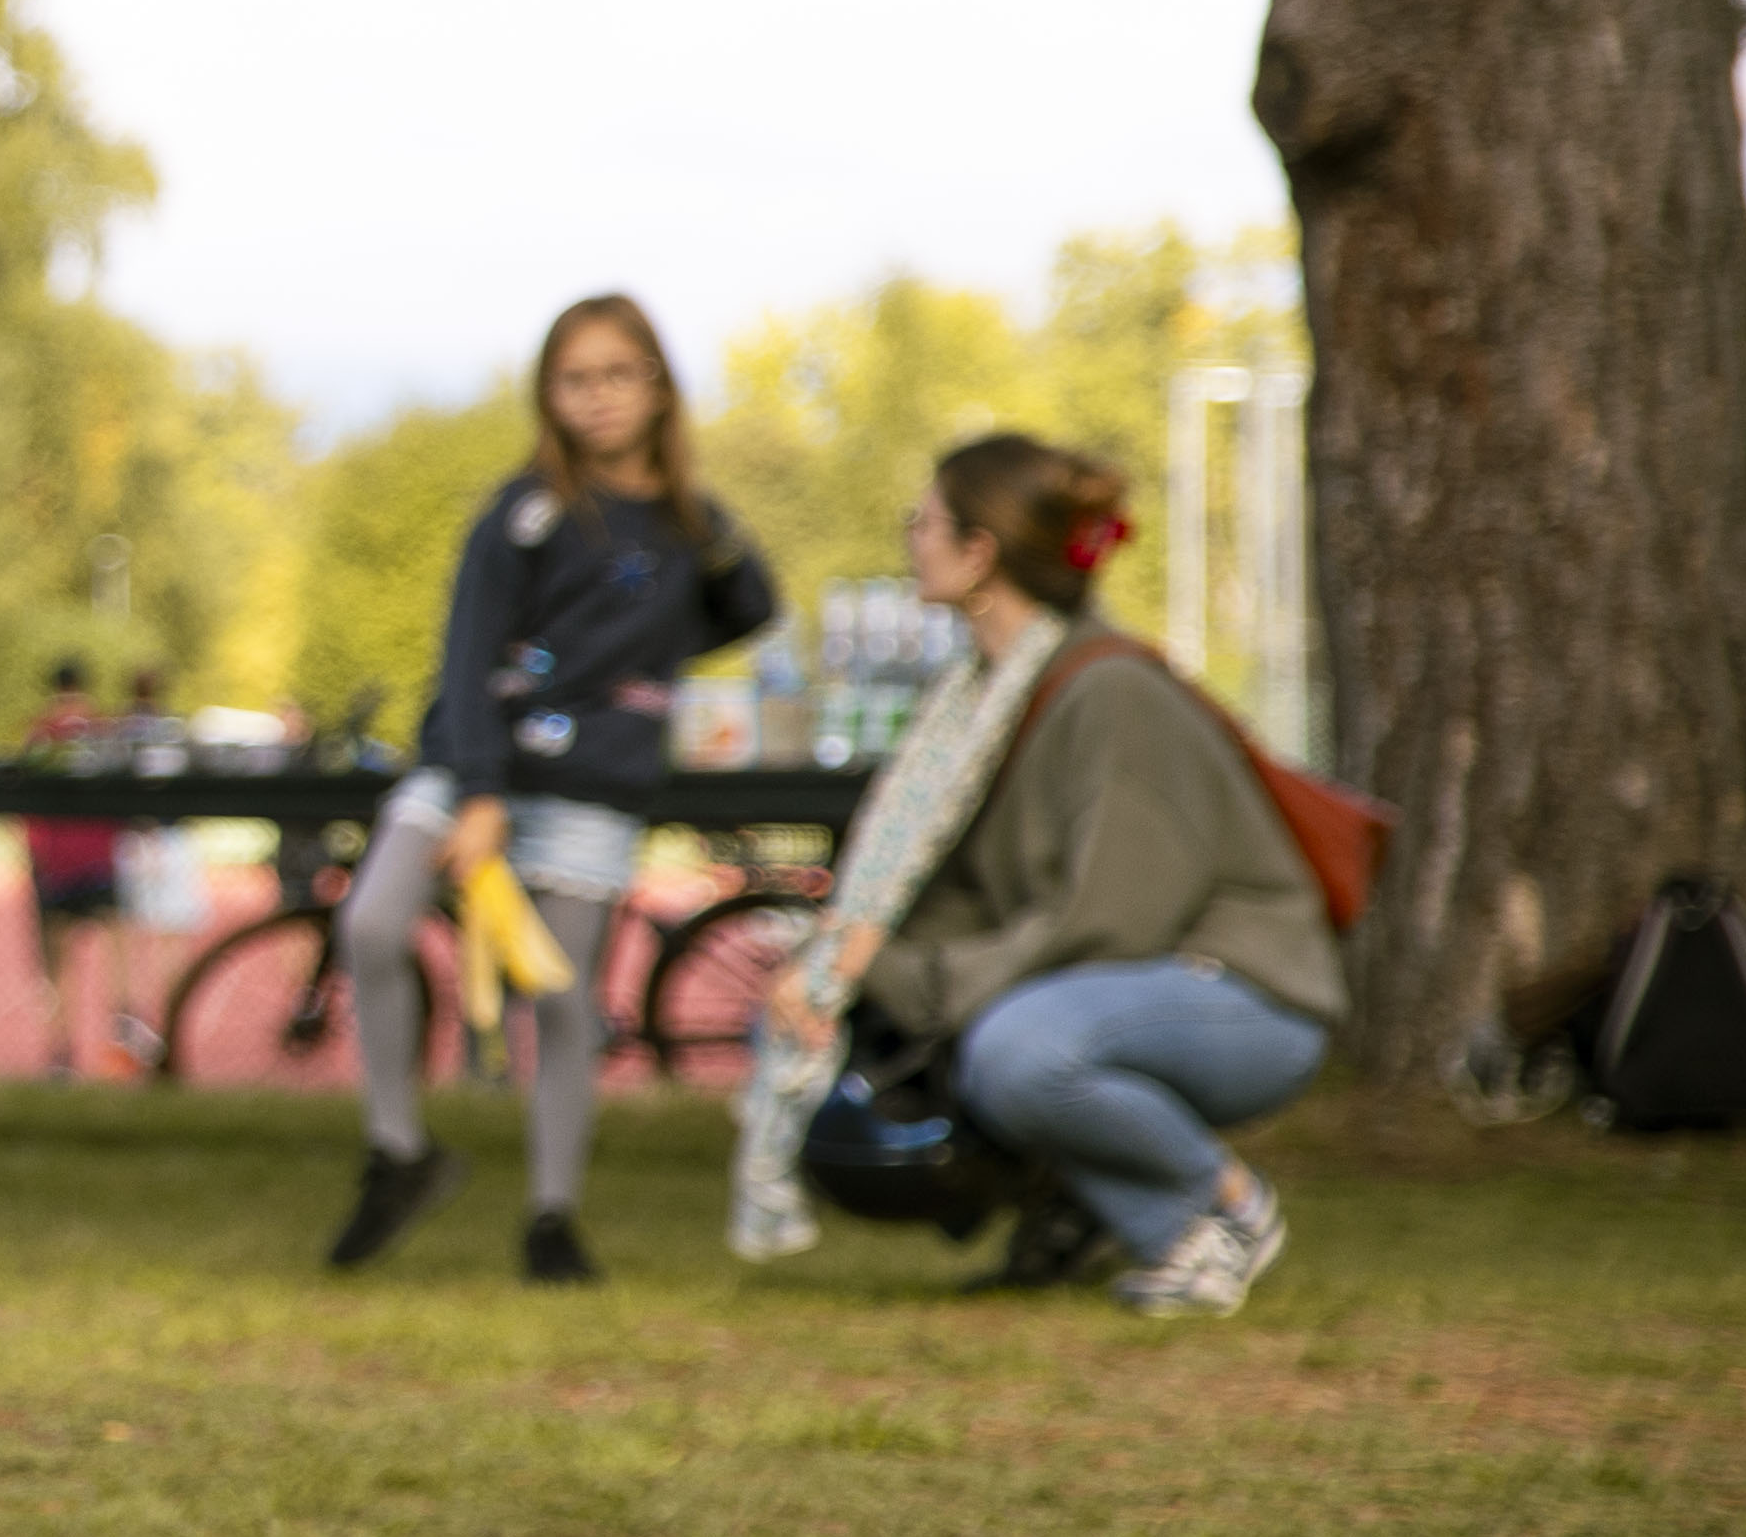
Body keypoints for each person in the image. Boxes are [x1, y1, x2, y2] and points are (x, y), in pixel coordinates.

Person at [739, 436, 1335, 1313]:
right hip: (1116, 985)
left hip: (1241, 996)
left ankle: (1220, 1208)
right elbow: (966, 896)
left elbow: (1107, 921)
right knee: (876, 1015)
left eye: (926, 520)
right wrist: (839, 966)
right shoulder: (979, 698)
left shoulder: (1107, 691)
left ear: (980, 552)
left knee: (1021, 1049)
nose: (912, 537)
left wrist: (907, 974)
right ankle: (1087, 1215)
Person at [331, 291, 776, 1283]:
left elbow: (751, 603)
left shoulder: (690, 524)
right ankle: (397, 1148)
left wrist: (638, 665)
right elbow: (465, 648)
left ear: (658, 387)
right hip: (470, 765)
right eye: (576, 380)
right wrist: (480, 789)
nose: (600, 398)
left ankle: (552, 1216)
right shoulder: (525, 511)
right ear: (550, 395)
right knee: (373, 921)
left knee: (562, 998)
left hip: (590, 788)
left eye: (620, 375)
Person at [19, 657, 129, 1079]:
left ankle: (61, 1052)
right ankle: (121, 1034)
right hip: (99, 852)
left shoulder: (41, 732)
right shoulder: (103, 729)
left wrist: (35, 849)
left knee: (58, 961)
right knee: (116, 944)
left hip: (56, 857)